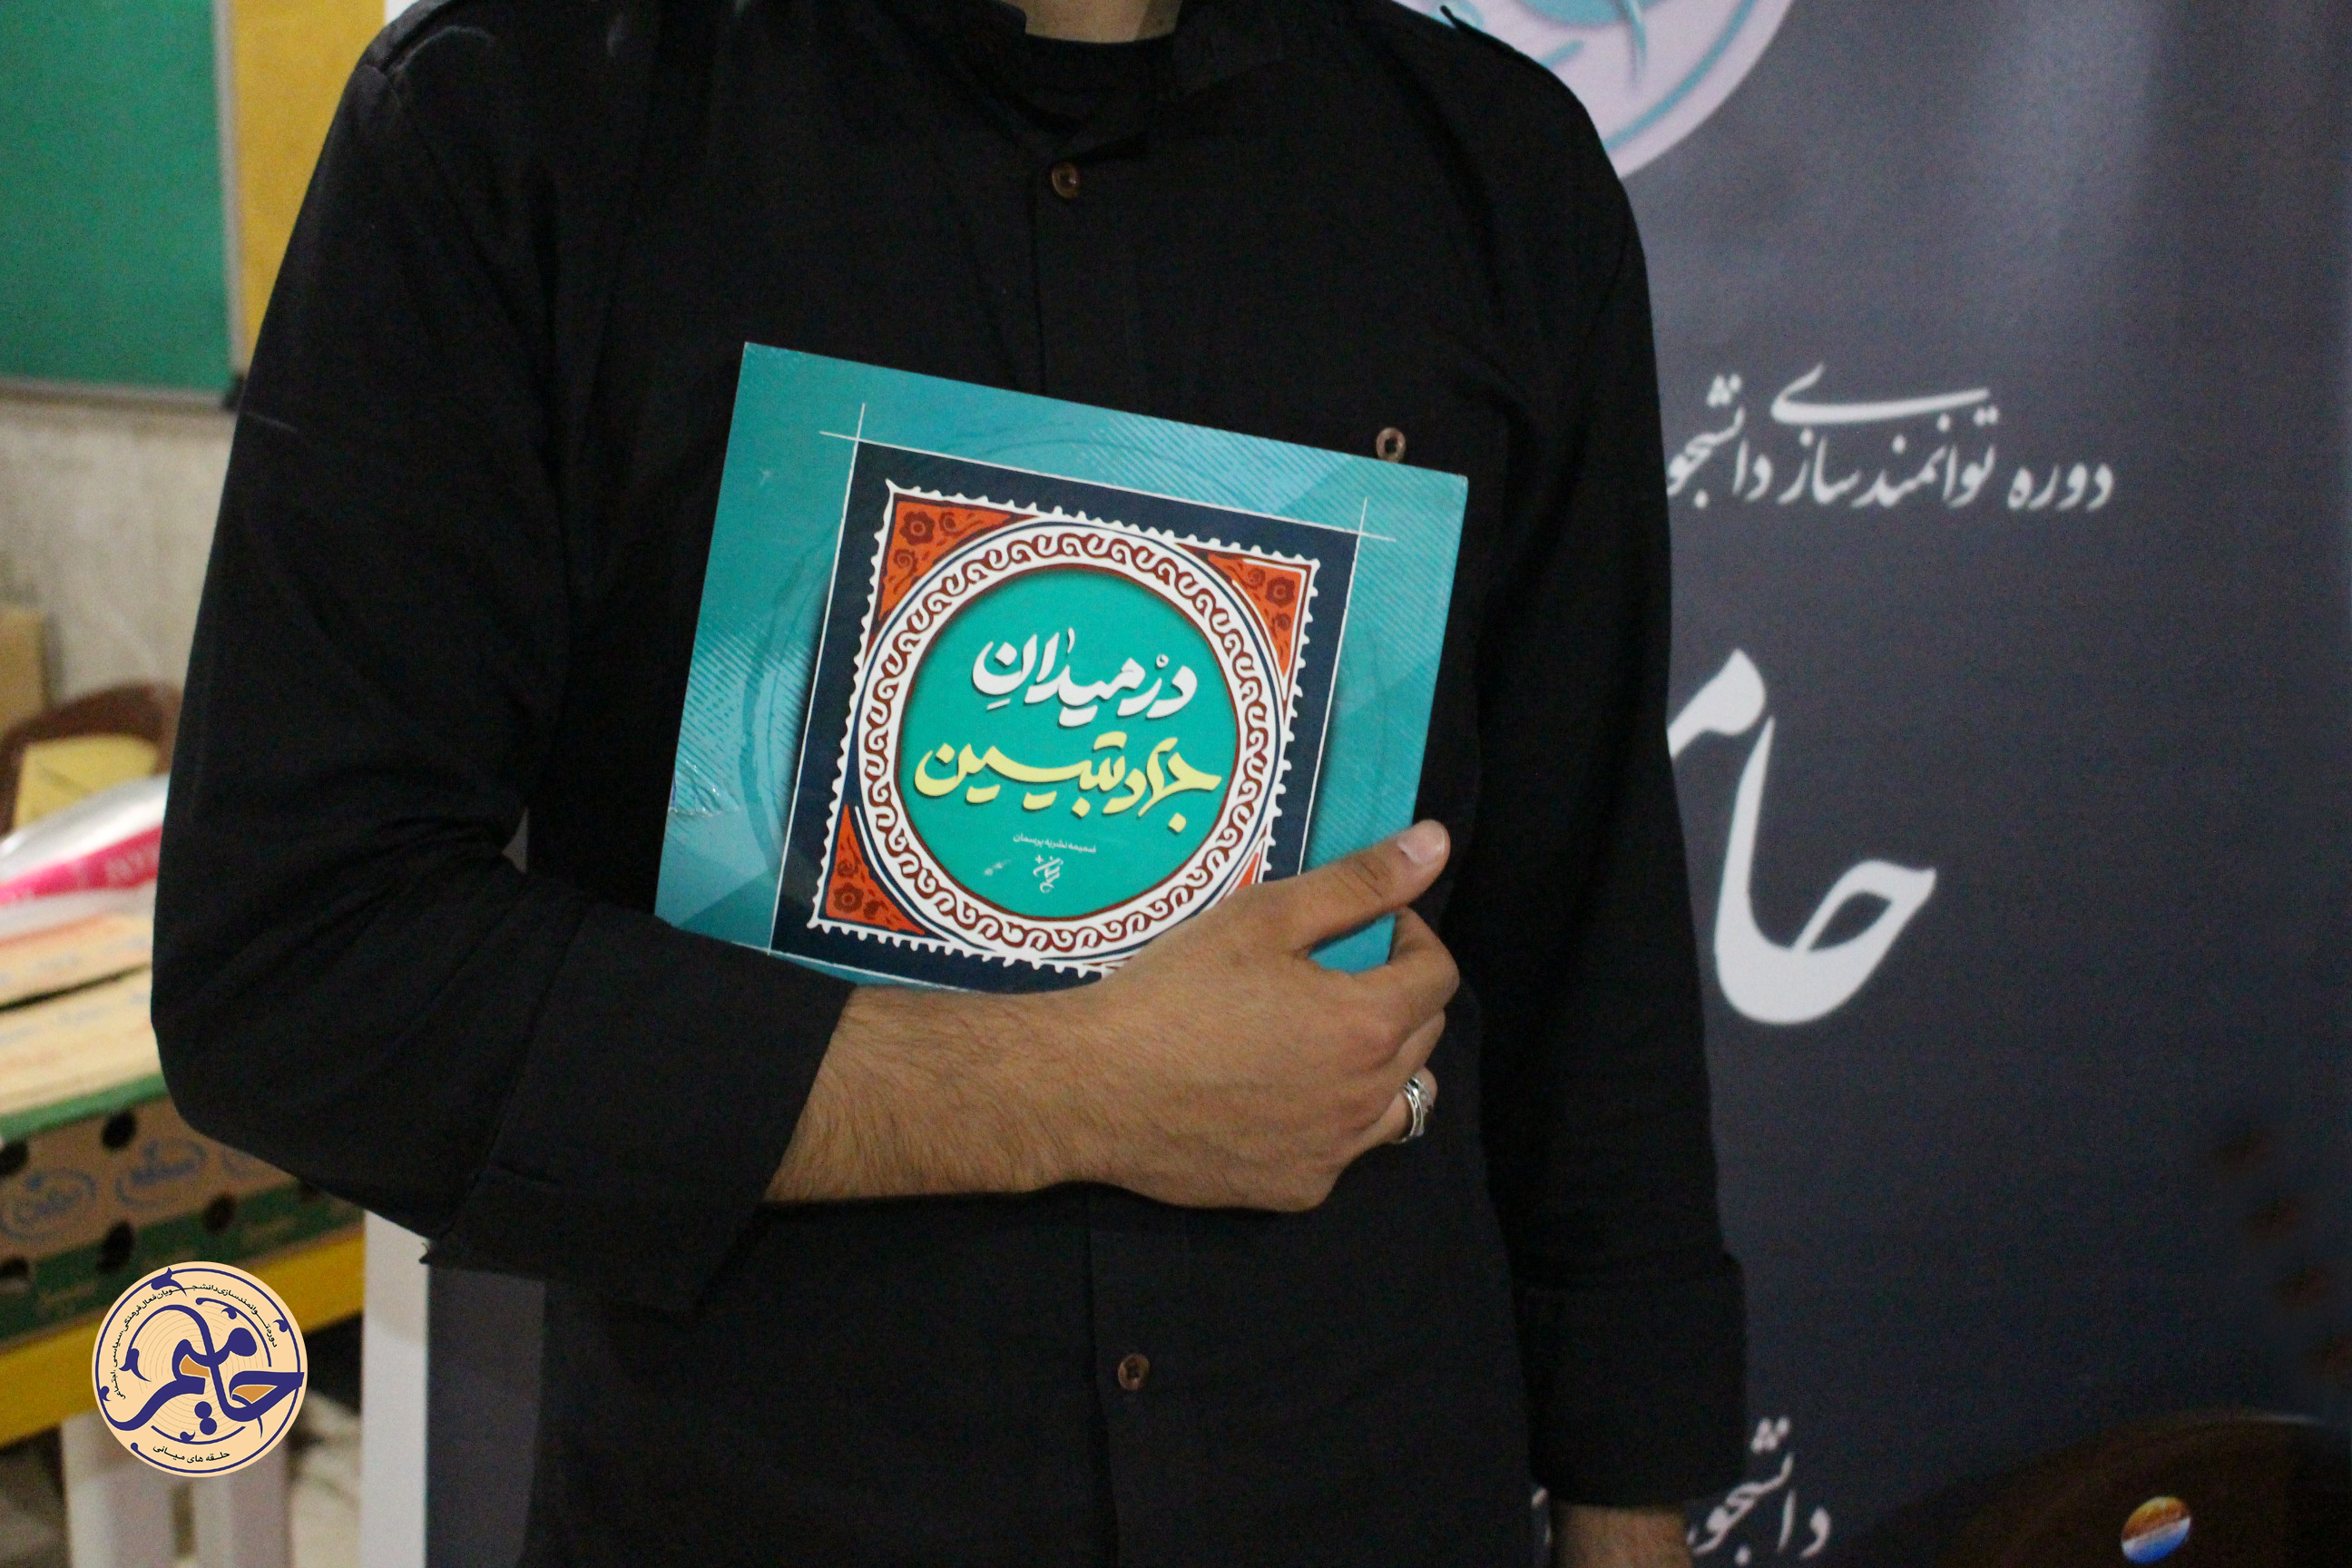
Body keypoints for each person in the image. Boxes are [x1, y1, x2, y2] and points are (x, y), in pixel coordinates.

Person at [152, 0, 1746, 1560]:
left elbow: (1585, 942)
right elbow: (301, 971)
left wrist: (1628, 1512)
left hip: (1367, 1477)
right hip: (765, 1504)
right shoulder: (522, 123)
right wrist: (1070, 1085)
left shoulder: (1490, 171)